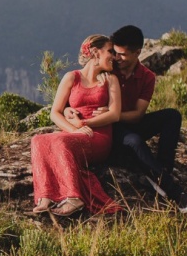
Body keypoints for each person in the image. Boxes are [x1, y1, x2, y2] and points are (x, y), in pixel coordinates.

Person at [103, 25, 187, 214]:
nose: (116, 58)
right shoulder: (108, 70)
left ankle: (162, 171)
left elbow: (138, 114)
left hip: (126, 120)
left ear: (138, 52)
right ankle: (176, 193)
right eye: (114, 52)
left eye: (122, 54)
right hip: (109, 128)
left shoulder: (147, 76)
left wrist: (113, 113)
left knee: (172, 115)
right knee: (135, 141)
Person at [31, 35, 123, 216]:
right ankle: (45, 197)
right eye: (110, 51)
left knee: (60, 143)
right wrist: (74, 129)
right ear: (96, 52)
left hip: (98, 137)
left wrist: (84, 123)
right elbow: (55, 112)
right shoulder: (71, 77)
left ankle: (74, 198)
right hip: (77, 132)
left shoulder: (111, 80)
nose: (114, 56)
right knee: (38, 140)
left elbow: (114, 114)